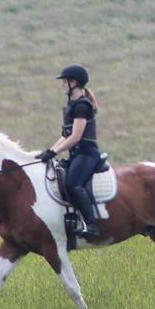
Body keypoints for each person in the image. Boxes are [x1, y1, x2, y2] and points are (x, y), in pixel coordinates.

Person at [38, 64, 102, 238]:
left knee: (73, 183)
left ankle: (91, 225)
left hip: (87, 153)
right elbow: (65, 135)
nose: (62, 86)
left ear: (73, 82)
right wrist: (49, 151)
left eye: (64, 82)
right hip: (76, 154)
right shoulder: (72, 105)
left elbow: (75, 137)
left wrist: (55, 152)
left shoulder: (82, 105)